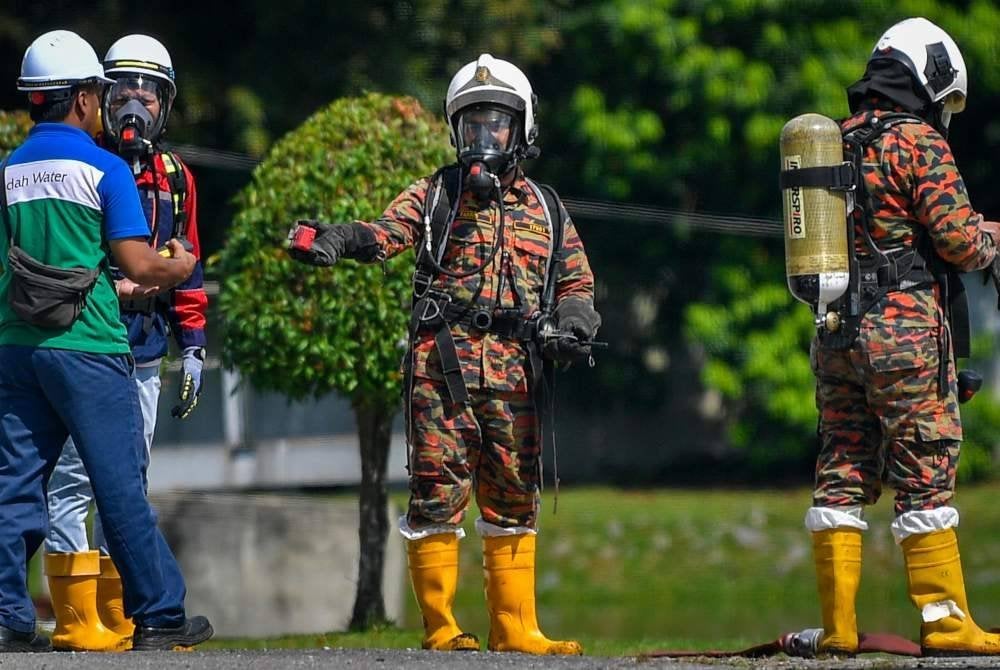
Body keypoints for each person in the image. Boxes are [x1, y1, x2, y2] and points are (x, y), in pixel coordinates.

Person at [289, 54, 600, 655]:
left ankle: (516, 630)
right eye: (472, 124)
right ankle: (441, 628)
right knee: (438, 490)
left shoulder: (547, 206)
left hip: (517, 374)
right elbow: (385, 233)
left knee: (514, 494)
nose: (484, 137)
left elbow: (577, 284)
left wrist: (573, 322)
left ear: (523, 129)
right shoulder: (438, 194)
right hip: (443, 370)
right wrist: (340, 239)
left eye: (497, 123)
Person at [0, 29, 212, 652]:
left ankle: (9, 618)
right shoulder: (105, 169)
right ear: (86, 100)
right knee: (118, 486)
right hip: (89, 347)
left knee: (15, 486)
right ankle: (160, 614)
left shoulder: (8, 170)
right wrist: (178, 264)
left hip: (17, 348)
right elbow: (141, 267)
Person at [806, 17, 1000, 656]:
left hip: (834, 327)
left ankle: (836, 628)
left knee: (843, 463)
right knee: (926, 464)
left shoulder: (832, 140)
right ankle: (945, 624)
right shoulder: (917, 141)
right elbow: (961, 242)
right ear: (931, 76)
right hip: (904, 333)